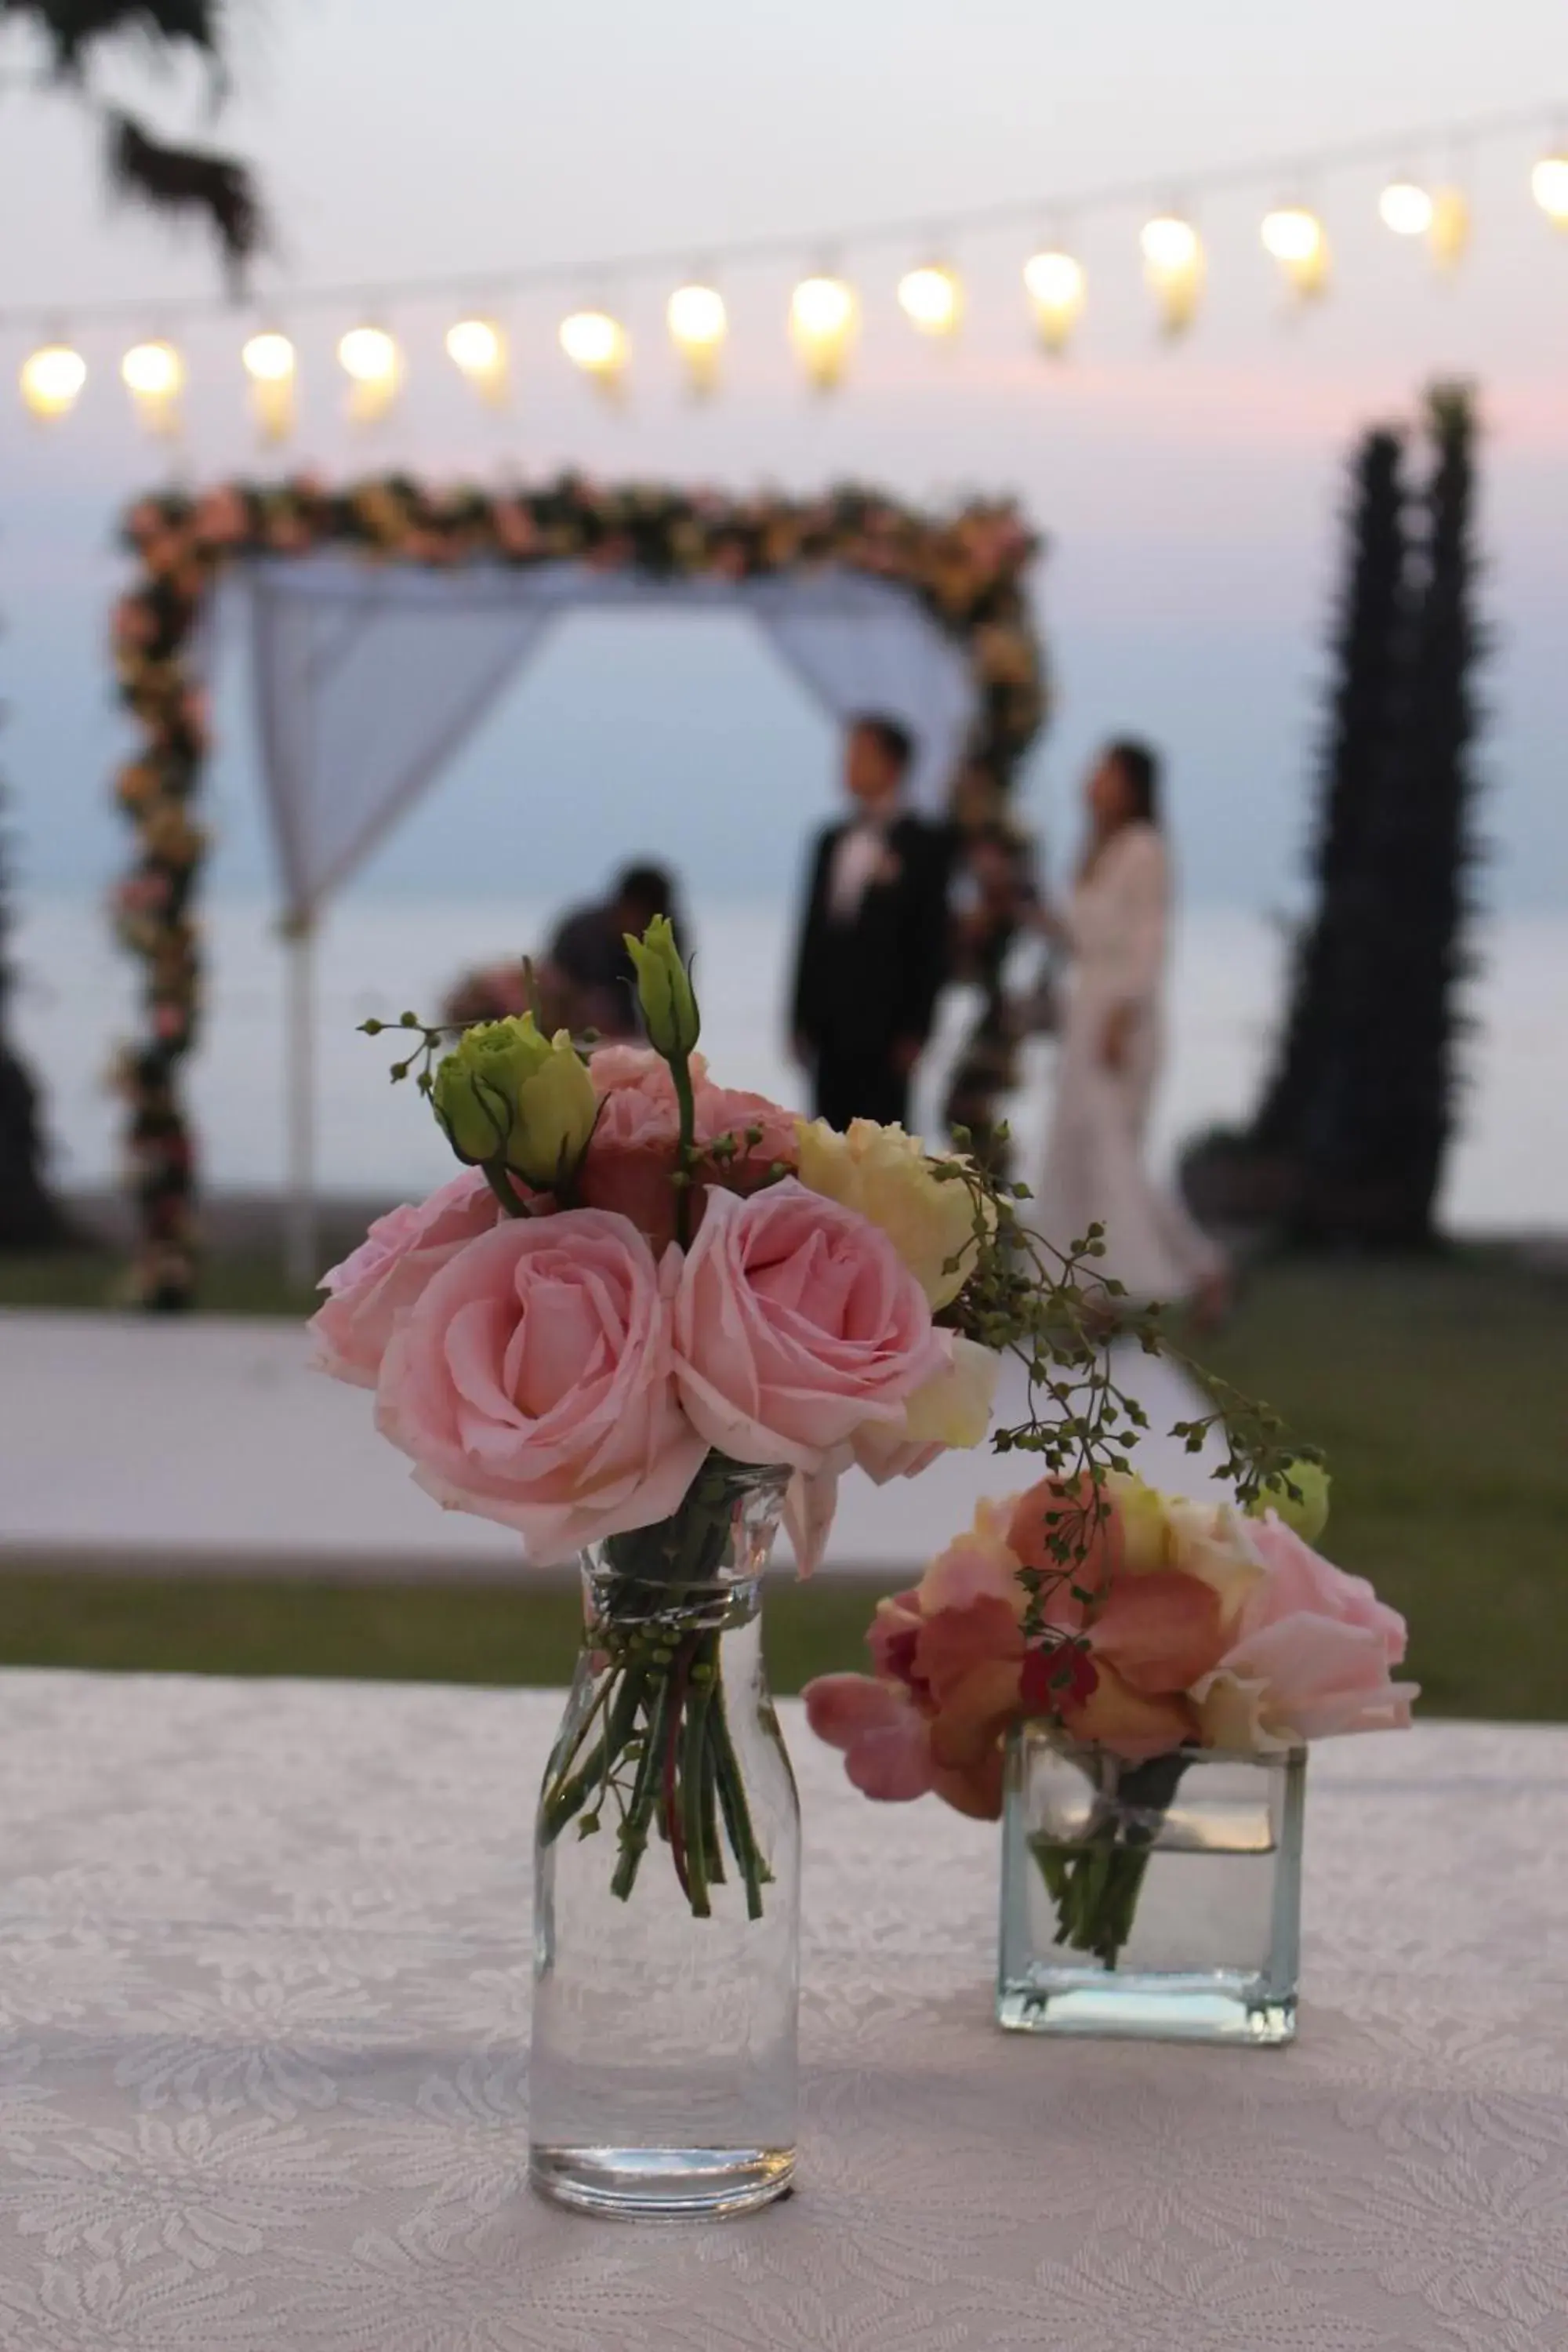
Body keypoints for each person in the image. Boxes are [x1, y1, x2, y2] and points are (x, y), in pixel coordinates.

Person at [1031, 739, 1229, 1322]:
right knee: (1083, 1154)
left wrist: (1122, 1013)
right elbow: (1076, 936)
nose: (1093, 780)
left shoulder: (1144, 850)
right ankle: (1098, 1290)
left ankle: (1188, 1268)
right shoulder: (1095, 852)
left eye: (1106, 772)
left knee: (1113, 1155)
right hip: (1085, 1013)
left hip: (1121, 1019)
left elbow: (1148, 941)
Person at [790, 716, 951, 1131]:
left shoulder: (924, 844)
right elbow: (810, 935)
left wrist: (919, 1028)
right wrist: (799, 1016)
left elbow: (932, 943)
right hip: (829, 1026)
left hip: (887, 1028)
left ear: (891, 765)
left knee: (884, 1144)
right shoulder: (829, 840)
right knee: (825, 1141)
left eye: (859, 754)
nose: (847, 765)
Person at [942, 819, 1044, 1179]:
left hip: (1000, 1039)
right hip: (976, 1034)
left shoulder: (1024, 921)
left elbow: (1025, 987)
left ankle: (993, 1204)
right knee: (960, 1118)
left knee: (975, 1119)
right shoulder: (982, 922)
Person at [543, 864, 685, 1040]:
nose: (637, 927)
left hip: (626, 1028)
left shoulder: (665, 937)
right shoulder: (580, 931)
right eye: (634, 914)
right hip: (570, 1023)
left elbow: (671, 1002)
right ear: (622, 906)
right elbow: (553, 981)